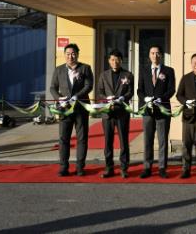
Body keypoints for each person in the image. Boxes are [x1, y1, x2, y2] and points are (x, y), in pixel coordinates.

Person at [49, 43, 94, 177]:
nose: (70, 56)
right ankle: (64, 167)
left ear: (77, 54)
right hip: (64, 109)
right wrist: (59, 98)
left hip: (81, 108)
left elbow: (89, 85)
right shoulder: (59, 70)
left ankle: (80, 167)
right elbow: (53, 87)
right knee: (64, 139)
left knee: (82, 138)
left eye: (73, 54)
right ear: (64, 55)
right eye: (68, 54)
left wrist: (76, 96)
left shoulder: (85, 68)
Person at [137, 45, 175, 179]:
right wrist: (145, 98)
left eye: (157, 53)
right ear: (149, 55)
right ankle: (147, 167)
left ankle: (162, 167)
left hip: (162, 109)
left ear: (161, 55)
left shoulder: (169, 71)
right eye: (152, 53)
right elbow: (139, 90)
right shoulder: (143, 70)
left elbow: (171, 89)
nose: (155, 55)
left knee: (162, 140)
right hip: (147, 110)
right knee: (148, 140)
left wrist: (161, 98)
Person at [96, 49, 134, 179]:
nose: (115, 62)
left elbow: (130, 92)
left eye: (117, 60)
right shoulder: (103, 75)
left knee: (124, 141)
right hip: (108, 113)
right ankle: (109, 168)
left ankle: (124, 168)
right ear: (109, 61)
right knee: (108, 141)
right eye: (112, 60)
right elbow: (100, 92)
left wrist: (124, 97)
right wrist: (106, 98)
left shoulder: (128, 75)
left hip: (122, 112)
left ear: (121, 61)